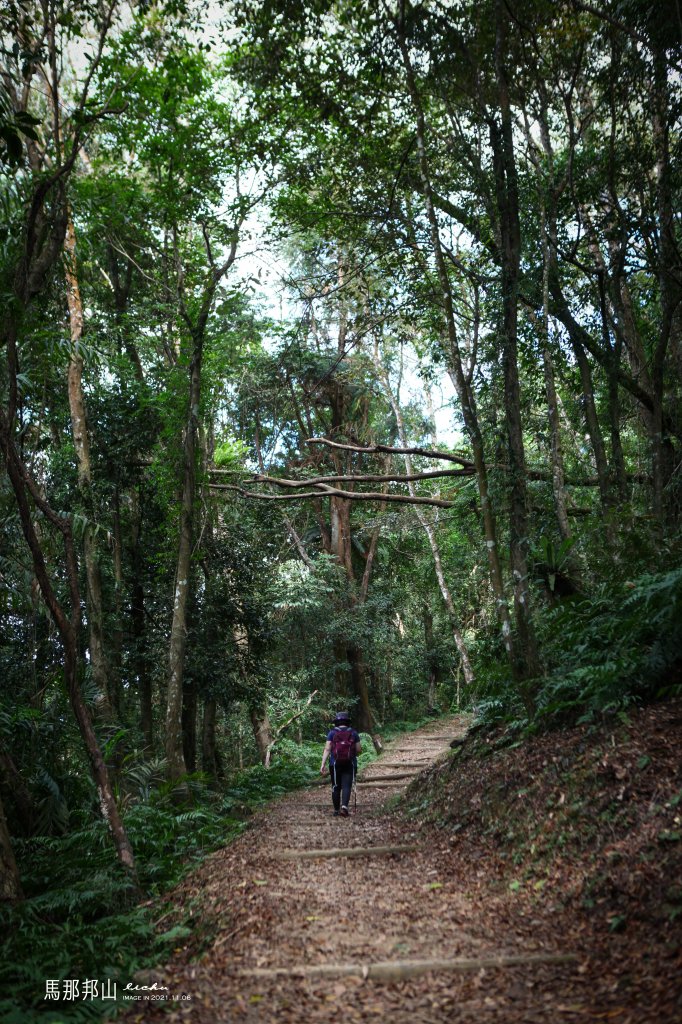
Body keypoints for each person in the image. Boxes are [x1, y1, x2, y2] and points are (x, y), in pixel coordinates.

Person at [320, 711, 362, 817]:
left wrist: (323, 764)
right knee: (347, 786)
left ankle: (336, 810)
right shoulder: (353, 732)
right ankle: (344, 807)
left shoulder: (332, 733)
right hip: (350, 763)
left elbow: (327, 749)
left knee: (335, 786)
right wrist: (351, 754)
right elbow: (358, 749)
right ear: (347, 721)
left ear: (337, 721)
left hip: (334, 763)